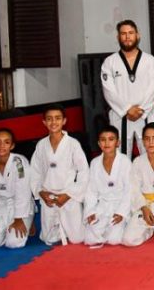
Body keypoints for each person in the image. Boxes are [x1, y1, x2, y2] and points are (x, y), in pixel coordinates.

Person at [30, 104, 89, 245]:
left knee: (77, 238)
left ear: (64, 121)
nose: (53, 122)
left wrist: (69, 194)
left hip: (68, 195)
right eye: (49, 119)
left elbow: (84, 171)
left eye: (57, 118)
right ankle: (60, 229)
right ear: (44, 122)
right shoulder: (41, 145)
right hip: (49, 196)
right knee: (48, 239)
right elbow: (35, 172)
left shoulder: (73, 144)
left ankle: (77, 224)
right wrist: (41, 192)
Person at [101, 19, 154, 158]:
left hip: (146, 113)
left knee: (152, 154)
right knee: (119, 158)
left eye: (131, 33)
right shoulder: (110, 62)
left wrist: (141, 110)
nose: (127, 37)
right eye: (123, 34)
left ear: (137, 35)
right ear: (118, 37)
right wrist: (127, 109)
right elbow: (109, 91)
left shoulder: (149, 60)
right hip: (120, 114)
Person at [0, 128, 35, 249]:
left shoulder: (19, 162)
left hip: (22, 205)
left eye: (6, 142)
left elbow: (23, 191)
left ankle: (28, 221)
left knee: (14, 243)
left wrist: (19, 219)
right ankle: (5, 230)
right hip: (2, 203)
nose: (2, 146)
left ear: (12, 145)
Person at [84, 126, 132, 247]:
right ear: (99, 143)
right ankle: (103, 226)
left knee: (114, 240)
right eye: (103, 140)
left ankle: (125, 224)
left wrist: (121, 213)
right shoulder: (95, 163)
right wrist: (90, 211)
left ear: (118, 142)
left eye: (111, 139)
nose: (106, 143)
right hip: (102, 205)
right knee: (90, 239)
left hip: (120, 204)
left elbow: (129, 190)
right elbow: (91, 191)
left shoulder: (125, 161)